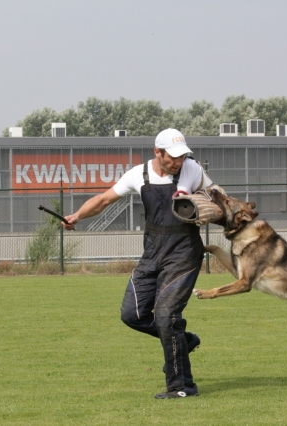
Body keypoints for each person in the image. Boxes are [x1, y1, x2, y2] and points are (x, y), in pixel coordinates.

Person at [63, 128, 213, 399]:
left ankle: (182, 386)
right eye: (172, 157)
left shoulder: (192, 169)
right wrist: (77, 216)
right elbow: (103, 200)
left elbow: (216, 196)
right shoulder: (138, 175)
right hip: (152, 253)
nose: (177, 162)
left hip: (184, 253)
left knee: (166, 316)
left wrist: (207, 204)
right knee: (132, 314)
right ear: (157, 152)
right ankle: (184, 340)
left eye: (182, 156)